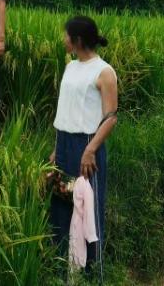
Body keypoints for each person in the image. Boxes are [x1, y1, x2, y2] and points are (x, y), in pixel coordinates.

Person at [49, 16, 118, 281]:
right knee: (61, 202)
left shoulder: (104, 72)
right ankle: (61, 270)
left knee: (88, 207)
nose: (63, 39)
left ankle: (91, 274)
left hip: (87, 144)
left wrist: (90, 150)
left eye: (66, 35)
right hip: (64, 143)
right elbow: (65, 110)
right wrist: (56, 148)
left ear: (77, 40)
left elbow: (110, 117)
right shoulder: (70, 66)